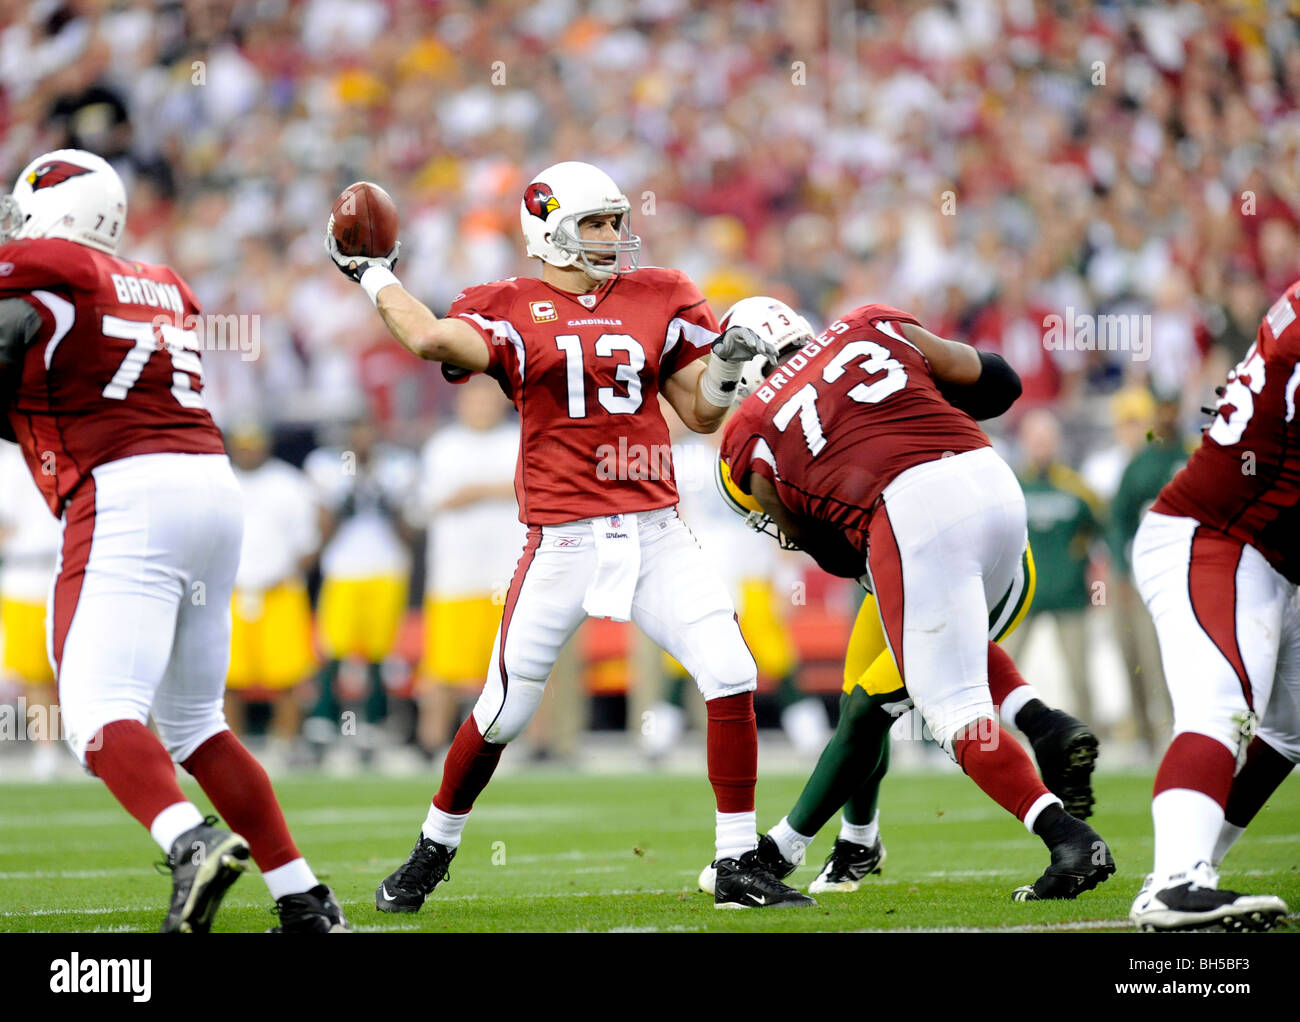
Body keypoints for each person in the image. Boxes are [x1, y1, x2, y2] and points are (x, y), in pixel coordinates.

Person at [327, 160, 811, 910]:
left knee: (730, 669)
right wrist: (371, 274)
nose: (613, 235)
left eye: (616, 221)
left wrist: (730, 366)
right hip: (564, 540)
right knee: (503, 712)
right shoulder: (510, 305)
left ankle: (737, 862)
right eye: (595, 223)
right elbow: (427, 340)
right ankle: (434, 848)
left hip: (655, 530)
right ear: (549, 231)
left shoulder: (661, 293)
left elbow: (702, 414)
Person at [0, 149, 345, 932]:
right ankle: (302, 896)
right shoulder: (166, 284)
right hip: (210, 486)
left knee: (93, 713)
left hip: (127, 491)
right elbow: (62, 373)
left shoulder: (52, 268)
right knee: (196, 723)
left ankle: (189, 840)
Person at [718, 296, 1115, 901]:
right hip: (993, 482)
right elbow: (999, 380)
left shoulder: (747, 432)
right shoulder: (864, 322)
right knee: (899, 679)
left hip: (913, 521)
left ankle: (1067, 837)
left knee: (951, 711)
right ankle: (1039, 726)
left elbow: (823, 548)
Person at [1126, 282, 1300, 932]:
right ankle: (1175, 882)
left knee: (1290, 729)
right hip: (1215, 537)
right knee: (1218, 707)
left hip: (1264, 549)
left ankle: (1188, 864)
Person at [414, 374, 524, 757]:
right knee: (444, 666)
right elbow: (435, 501)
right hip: (456, 576)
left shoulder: (519, 441)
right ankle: (430, 741)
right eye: (474, 400)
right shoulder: (442, 447)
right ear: (461, 405)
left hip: (510, 574)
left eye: (488, 400)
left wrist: (474, 491)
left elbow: (529, 488)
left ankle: (535, 745)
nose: (481, 407)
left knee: (520, 664)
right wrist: (494, 489)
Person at [303, 417, 418, 762]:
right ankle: (323, 722)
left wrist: (388, 501)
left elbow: (410, 532)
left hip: (387, 567)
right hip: (343, 568)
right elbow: (322, 524)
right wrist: (344, 504)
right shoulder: (326, 467)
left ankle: (373, 724)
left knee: (379, 650)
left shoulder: (399, 468)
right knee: (334, 645)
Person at [225, 422, 321, 762]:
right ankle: (232, 750)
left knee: (288, 677)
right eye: (242, 443)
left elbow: (309, 540)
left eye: (254, 442)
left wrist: (290, 573)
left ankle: (283, 746)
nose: (248, 449)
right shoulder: (220, 479)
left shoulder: (288, 483)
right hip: (230, 592)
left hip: (280, 590)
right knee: (226, 678)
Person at [1005, 409, 1106, 725]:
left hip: (1069, 596)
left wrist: (1097, 579)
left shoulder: (1077, 488)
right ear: (1023, 442)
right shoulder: (1010, 485)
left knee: (1079, 672)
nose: (1040, 446)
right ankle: (989, 741)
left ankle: (1088, 735)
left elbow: (1101, 533)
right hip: (1020, 598)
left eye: (1046, 439)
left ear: (1057, 442)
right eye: (1034, 439)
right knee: (1000, 670)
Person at [1110, 391, 1187, 754]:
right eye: (1163, 409)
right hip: (1147, 574)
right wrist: (1122, 570)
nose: (1168, 416)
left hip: (1190, 573)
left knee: (1182, 656)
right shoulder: (1139, 465)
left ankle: (1184, 728)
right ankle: (1151, 734)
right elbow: (1117, 521)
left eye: (1173, 409)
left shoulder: (1196, 455)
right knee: (1144, 656)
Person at [0, 439, 62, 778]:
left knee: (76, 665)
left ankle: (91, 742)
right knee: (34, 674)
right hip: (22, 573)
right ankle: (46, 747)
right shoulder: (8, 457)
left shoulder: (62, 441)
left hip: (64, 566)